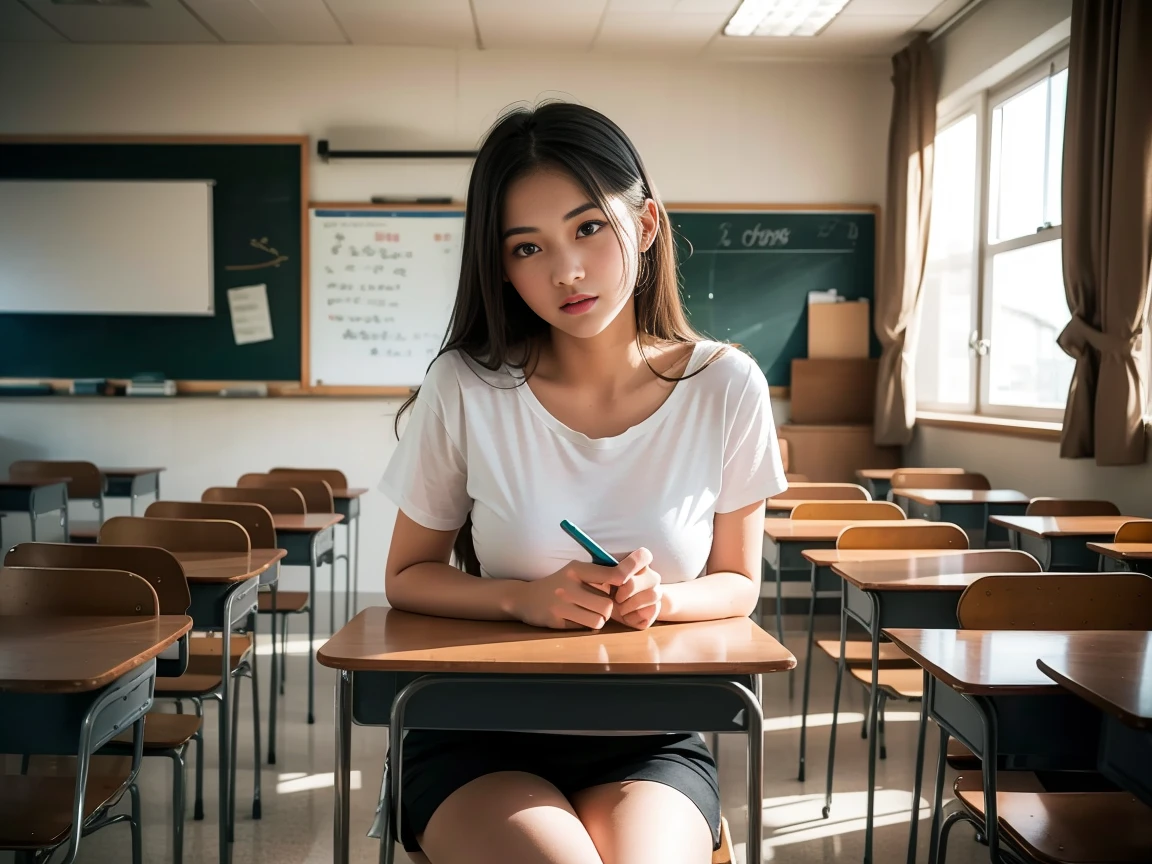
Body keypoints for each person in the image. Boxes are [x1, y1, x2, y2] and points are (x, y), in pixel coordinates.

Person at [381, 100, 787, 864]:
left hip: (651, 737)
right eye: (526, 247)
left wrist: (663, 601)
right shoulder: (465, 386)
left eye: (588, 228)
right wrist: (521, 598)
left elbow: (737, 582)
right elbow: (406, 576)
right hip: (478, 732)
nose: (565, 270)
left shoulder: (727, 387)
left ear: (646, 224)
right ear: (499, 268)